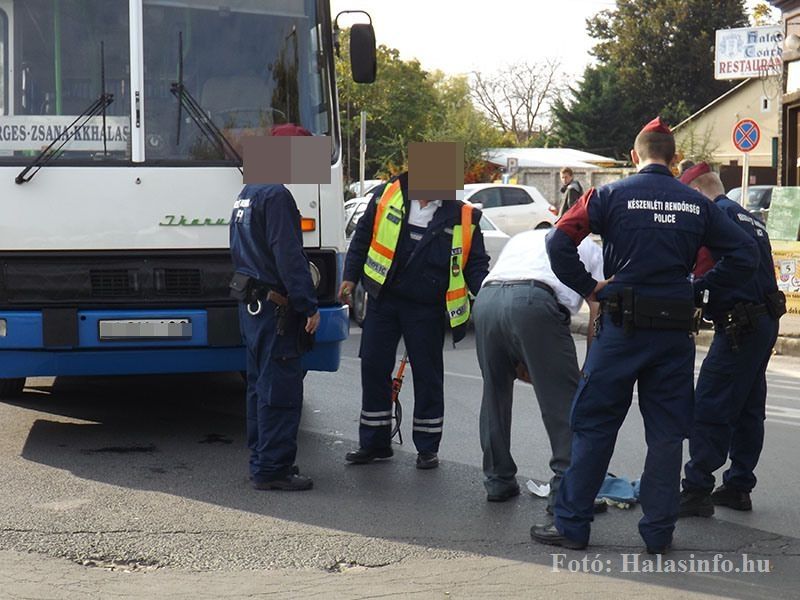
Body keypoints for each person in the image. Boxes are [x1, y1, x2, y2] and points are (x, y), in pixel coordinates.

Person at [532, 117, 758, 554]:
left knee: (594, 425)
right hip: (674, 335)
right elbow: (744, 253)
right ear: (674, 158)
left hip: (620, 328)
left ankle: (572, 526)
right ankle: (658, 534)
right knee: (667, 434)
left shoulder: (608, 195)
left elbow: (558, 241)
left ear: (635, 155)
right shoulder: (696, 204)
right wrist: (698, 289)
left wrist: (590, 288)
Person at [339, 171, 490, 469]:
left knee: (428, 376)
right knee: (373, 366)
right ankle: (374, 443)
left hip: (426, 307)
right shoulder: (386, 197)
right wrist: (349, 278)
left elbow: (475, 265)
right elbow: (362, 238)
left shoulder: (464, 217)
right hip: (383, 299)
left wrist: (488, 295)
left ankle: (427, 447)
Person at [677, 163, 785, 517]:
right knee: (749, 406)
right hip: (764, 321)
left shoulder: (714, 218)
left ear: (696, 193)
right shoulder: (748, 217)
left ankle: (696, 489)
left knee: (711, 403)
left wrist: (694, 290)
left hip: (740, 324)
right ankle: (738, 486)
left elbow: (701, 274)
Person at [473, 229, 603, 510]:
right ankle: (568, 491)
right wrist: (589, 367)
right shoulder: (590, 247)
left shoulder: (522, 238)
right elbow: (597, 308)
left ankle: (497, 480)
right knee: (564, 403)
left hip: (486, 301)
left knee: (494, 394)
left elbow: (509, 298)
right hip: (534, 301)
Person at [229, 124, 320, 491]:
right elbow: (290, 257)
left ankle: (261, 461)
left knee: (258, 388)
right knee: (280, 389)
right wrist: (308, 305)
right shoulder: (277, 195)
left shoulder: (248, 192)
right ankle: (274, 469)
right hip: (275, 311)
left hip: (252, 306)